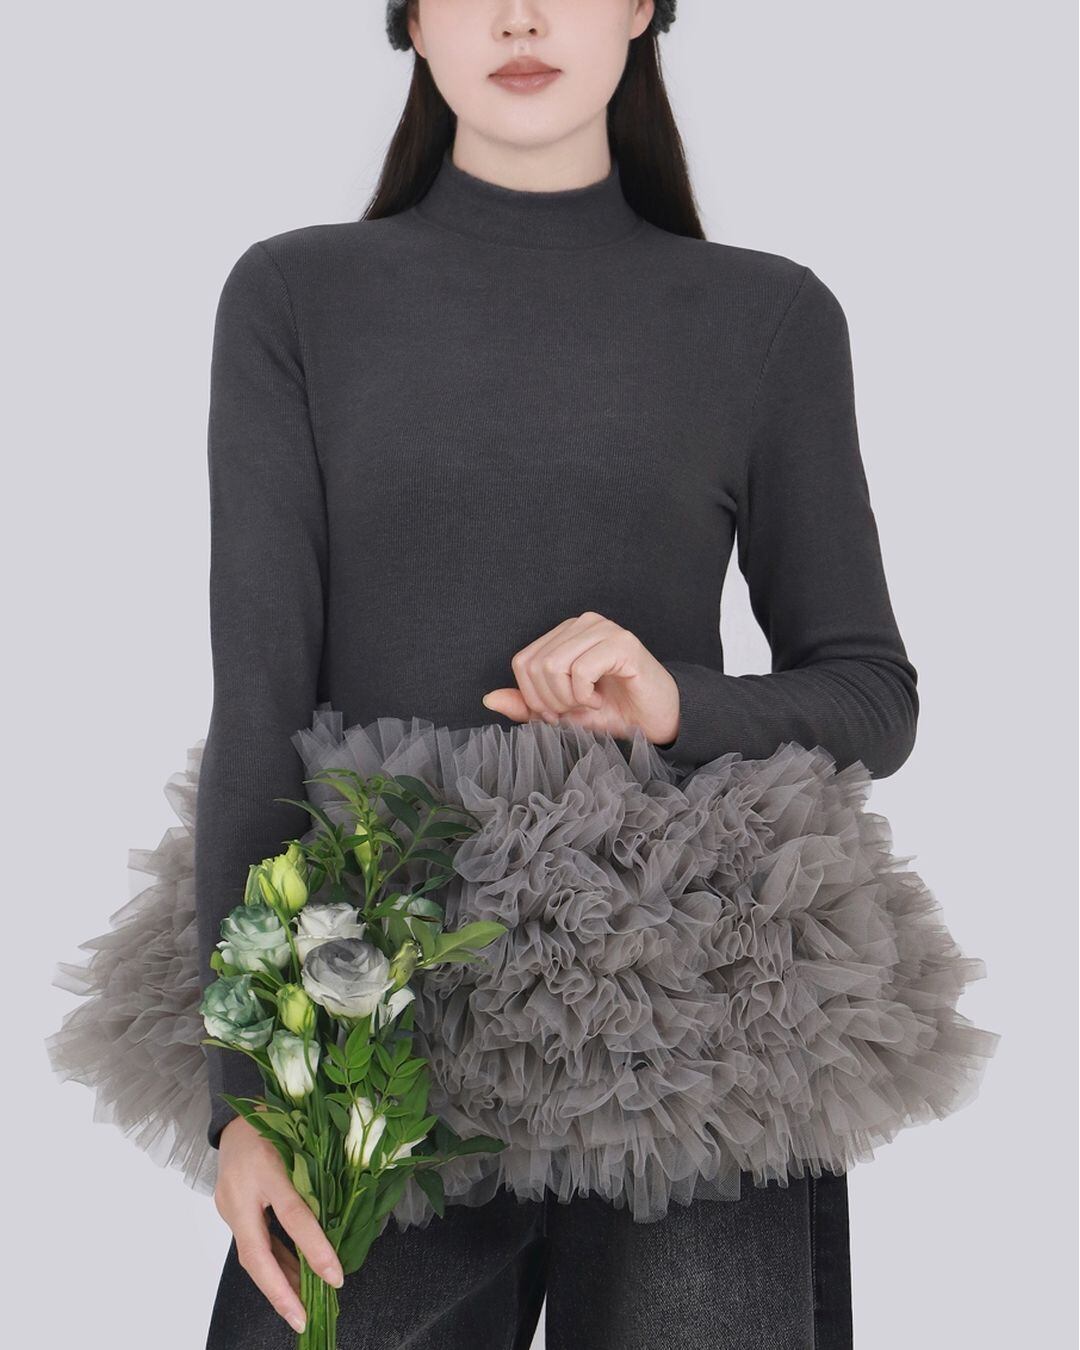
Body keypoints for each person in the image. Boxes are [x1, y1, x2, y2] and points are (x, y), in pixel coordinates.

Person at [196, 2, 918, 1346]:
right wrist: (244, 1099)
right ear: (413, 17)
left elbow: (872, 694)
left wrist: (676, 702)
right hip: (378, 999)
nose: (521, 15)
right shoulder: (297, 299)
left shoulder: (766, 318)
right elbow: (259, 710)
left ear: (641, 5)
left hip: (692, 1021)